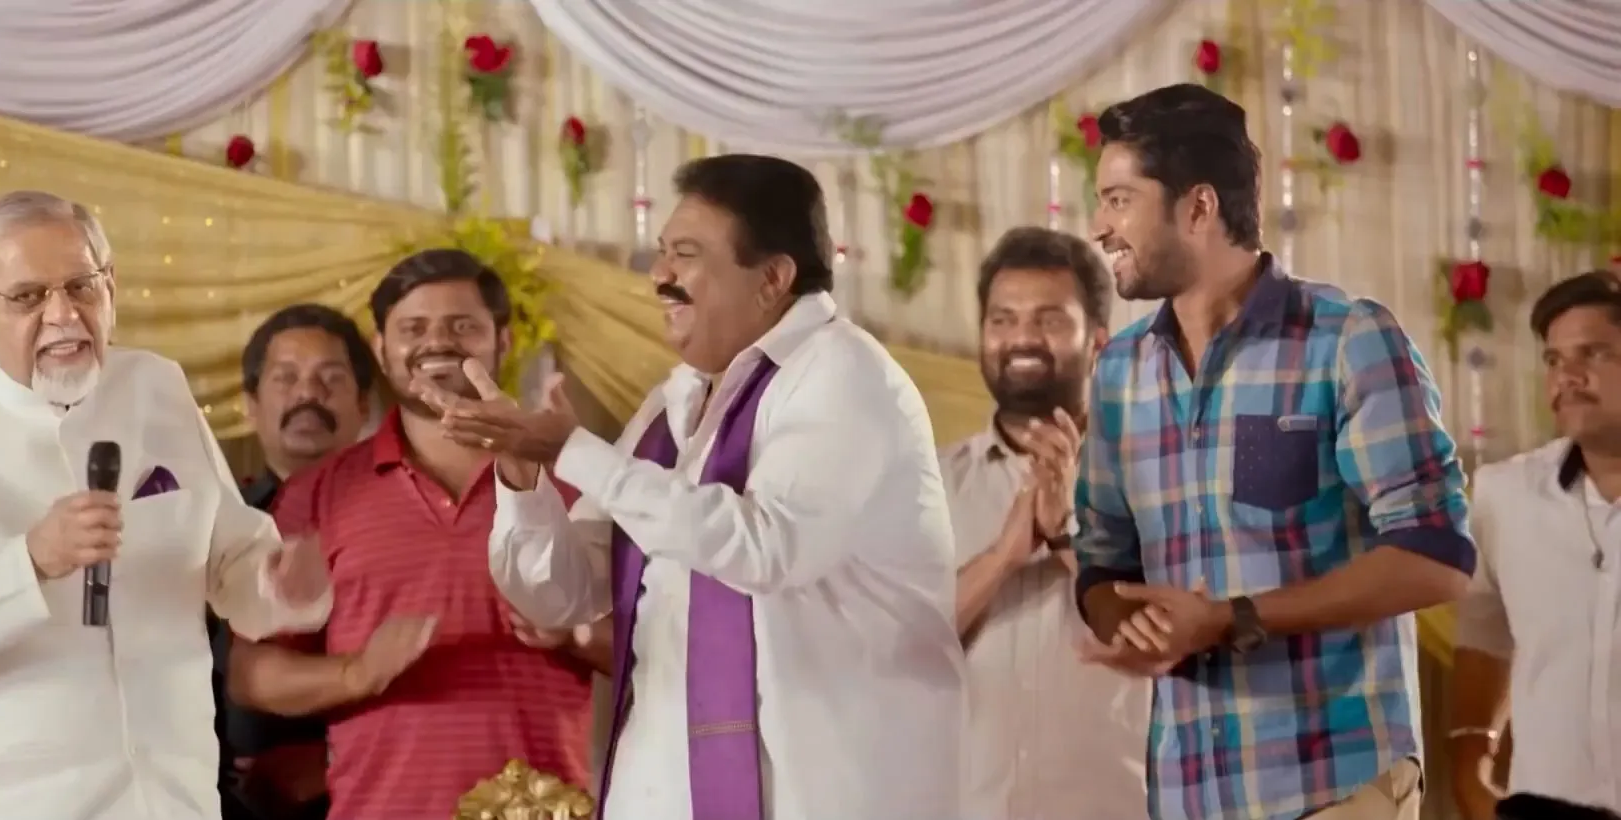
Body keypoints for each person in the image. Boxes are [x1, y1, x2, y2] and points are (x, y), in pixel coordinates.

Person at [446, 154, 965, 820]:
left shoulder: (845, 373)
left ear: (773, 278)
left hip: (824, 793)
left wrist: (573, 451)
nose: (659, 275)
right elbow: (561, 594)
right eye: (662, 252)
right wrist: (523, 475)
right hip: (659, 790)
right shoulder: (673, 406)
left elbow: (767, 547)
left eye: (685, 255)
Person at [0, 190, 332, 820]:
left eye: (82, 287)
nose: (63, 315)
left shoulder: (156, 388)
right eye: (29, 296)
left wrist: (280, 583)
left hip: (170, 800)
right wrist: (27, 564)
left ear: (111, 286)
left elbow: (234, 561)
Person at [1072, 85, 1474, 820]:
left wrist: (1233, 617)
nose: (1100, 226)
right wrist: (1128, 627)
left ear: (1198, 208)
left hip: (1336, 786)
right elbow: (1104, 560)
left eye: (1119, 200)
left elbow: (1436, 556)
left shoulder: (1347, 341)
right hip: (1189, 794)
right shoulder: (1120, 371)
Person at [226, 249, 601, 820]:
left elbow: (659, 646)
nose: (437, 341)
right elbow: (250, 676)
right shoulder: (317, 494)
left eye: (462, 325)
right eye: (413, 328)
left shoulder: (577, 479)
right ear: (381, 349)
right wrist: (357, 672)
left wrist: (575, 635)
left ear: (502, 341)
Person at [941, 226, 1146, 819]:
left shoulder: (1153, 479)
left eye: (1050, 319)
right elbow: (893, 646)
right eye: (1002, 319)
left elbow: (1163, 634)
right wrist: (1002, 558)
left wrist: (1066, 535)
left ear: (1099, 342)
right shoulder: (929, 485)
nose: (1023, 338)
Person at [1450, 272, 1621, 819]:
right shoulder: (1506, 496)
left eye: (1594, 353)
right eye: (1553, 359)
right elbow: (1484, 634)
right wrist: (1472, 766)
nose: (1567, 376)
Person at [211, 304, 377, 820]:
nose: (308, 394)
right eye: (286, 378)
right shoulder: (211, 522)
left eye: (331, 378)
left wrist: (329, 760)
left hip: (367, 792)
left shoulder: (398, 524)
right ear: (250, 405)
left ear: (363, 404)